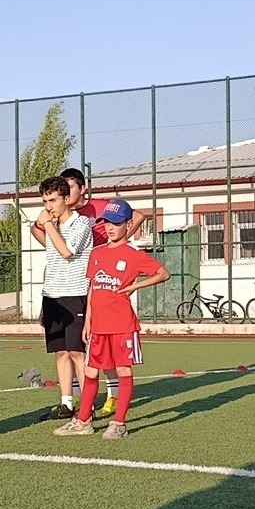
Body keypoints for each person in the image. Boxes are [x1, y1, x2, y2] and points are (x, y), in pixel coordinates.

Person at [54, 198, 170, 439]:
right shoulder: (97, 254)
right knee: (91, 372)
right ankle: (83, 421)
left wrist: (136, 286)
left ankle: (119, 423)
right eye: (106, 222)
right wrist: (87, 321)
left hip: (122, 326)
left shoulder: (134, 255)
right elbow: (93, 288)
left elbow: (162, 273)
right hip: (98, 327)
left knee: (123, 371)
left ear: (128, 225)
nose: (109, 227)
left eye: (116, 223)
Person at [58, 167, 149, 417]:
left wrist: (116, 245)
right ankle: (78, 404)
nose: (65, 195)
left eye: (70, 188)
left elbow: (138, 215)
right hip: (82, 279)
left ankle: (113, 397)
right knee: (84, 346)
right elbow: (40, 231)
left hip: (107, 280)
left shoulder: (100, 206)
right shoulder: (65, 215)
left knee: (111, 348)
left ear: (82, 188)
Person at [34, 174, 93, 421]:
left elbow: (67, 252)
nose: (49, 206)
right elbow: (53, 261)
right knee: (60, 352)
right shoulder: (53, 225)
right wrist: (43, 303)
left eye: (54, 200)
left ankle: (87, 406)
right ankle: (66, 404)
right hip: (53, 297)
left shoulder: (82, 223)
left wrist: (46, 225)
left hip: (76, 294)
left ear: (67, 199)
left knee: (78, 352)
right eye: (45, 201)